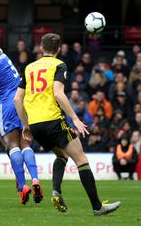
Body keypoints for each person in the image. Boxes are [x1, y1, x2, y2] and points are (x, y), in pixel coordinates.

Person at [14, 33, 121, 215]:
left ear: (41, 48)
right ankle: (97, 207)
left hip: (35, 125)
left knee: (62, 155)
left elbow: (17, 99)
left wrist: (25, 125)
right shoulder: (59, 65)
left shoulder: (29, 67)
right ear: (58, 49)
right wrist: (75, 118)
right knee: (81, 160)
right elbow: (58, 93)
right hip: (53, 120)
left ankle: (56, 191)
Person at [0, 36, 42, 205]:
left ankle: (23, 186)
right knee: (25, 144)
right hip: (22, 101)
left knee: (13, 145)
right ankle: (35, 179)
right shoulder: (5, 57)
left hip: (7, 105)